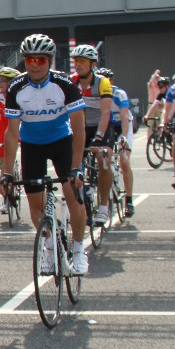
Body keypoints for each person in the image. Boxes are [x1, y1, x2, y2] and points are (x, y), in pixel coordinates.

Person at [0, 33, 88, 276]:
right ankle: (49, 247)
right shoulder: (16, 87)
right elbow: (11, 132)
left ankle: (79, 249)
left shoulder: (65, 84)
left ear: (49, 61)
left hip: (62, 143)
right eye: (29, 60)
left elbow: (79, 127)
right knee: (35, 205)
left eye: (40, 60)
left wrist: (76, 167)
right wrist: (7, 173)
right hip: (32, 146)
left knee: (74, 196)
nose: (34, 65)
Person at [70, 45, 113, 226]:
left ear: (93, 64)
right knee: (73, 165)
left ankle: (103, 207)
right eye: (76, 61)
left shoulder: (102, 82)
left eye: (83, 61)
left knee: (103, 159)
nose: (78, 64)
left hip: (100, 127)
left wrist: (99, 137)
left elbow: (106, 112)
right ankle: (80, 202)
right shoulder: (72, 81)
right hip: (81, 128)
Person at [101, 69, 136, 217]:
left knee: (124, 161)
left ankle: (129, 200)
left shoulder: (119, 94)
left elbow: (124, 117)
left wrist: (124, 138)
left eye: (108, 80)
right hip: (108, 126)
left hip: (123, 125)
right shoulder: (96, 96)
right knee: (103, 160)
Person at [0, 68, 19, 214]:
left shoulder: (20, 94)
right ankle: (6, 198)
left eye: (2, 80)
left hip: (20, 124)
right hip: (4, 126)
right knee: (4, 162)